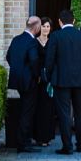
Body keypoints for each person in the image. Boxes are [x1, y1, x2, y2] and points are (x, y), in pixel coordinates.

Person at [46, 11, 81, 155]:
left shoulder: (56, 36)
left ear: (60, 21)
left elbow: (50, 60)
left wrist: (49, 77)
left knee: (64, 113)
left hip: (61, 79)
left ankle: (67, 146)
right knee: (80, 111)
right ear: (73, 21)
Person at [5, 16, 43, 152]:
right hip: (29, 82)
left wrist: (18, 70)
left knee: (21, 109)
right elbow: (33, 60)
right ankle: (24, 143)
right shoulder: (32, 42)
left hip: (16, 80)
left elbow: (8, 57)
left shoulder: (16, 39)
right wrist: (37, 75)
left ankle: (21, 140)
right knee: (27, 111)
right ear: (37, 27)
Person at [33, 18, 57, 147]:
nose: (46, 28)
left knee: (48, 109)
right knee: (38, 107)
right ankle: (38, 137)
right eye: (43, 26)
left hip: (49, 80)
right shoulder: (34, 42)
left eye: (48, 26)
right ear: (39, 27)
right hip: (37, 79)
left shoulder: (52, 42)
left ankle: (46, 137)